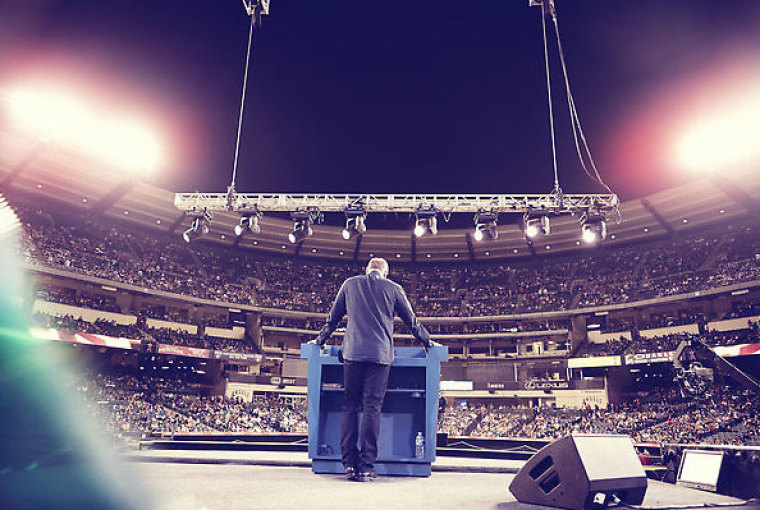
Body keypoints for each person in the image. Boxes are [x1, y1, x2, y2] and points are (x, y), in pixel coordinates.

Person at [309, 257, 438, 482]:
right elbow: (412, 321)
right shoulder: (394, 288)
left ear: (366, 270)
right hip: (379, 357)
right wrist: (429, 343)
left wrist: (319, 341)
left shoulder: (349, 284)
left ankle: (349, 464)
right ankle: (367, 466)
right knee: (372, 408)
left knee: (349, 405)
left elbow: (333, 319)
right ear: (385, 273)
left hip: (353, 355)